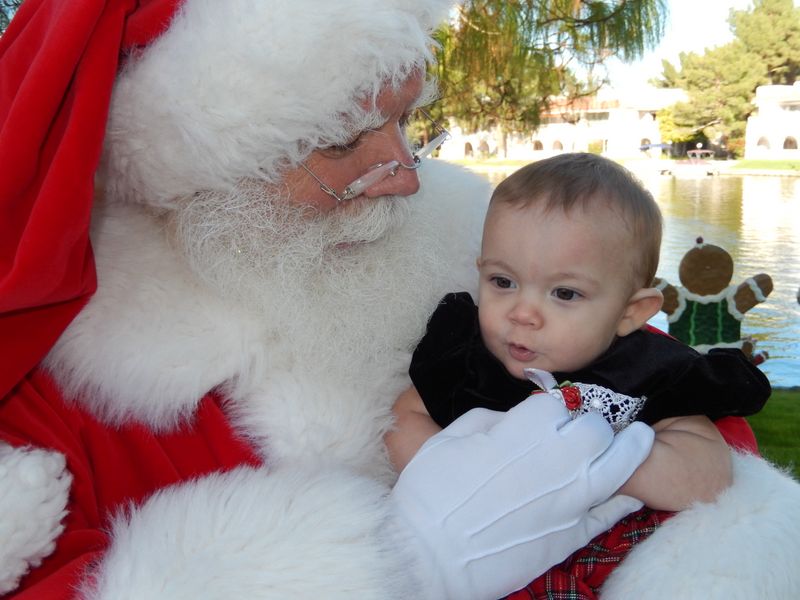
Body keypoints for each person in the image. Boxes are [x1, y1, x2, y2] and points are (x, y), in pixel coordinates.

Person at [0, 2, 798, 600]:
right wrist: (404, 565)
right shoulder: (54, 372)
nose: (408, 174)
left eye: (406, 119)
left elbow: (667, 389)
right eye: (344, 141)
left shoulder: (473, 239)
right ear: (199, 169)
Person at [386, 153, 771, 596]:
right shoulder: (467, 357)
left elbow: (708, 472)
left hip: (592, 566)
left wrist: (601, 470)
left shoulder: (643, 370)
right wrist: (470, 469)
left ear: (629, 312)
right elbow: (402, 418)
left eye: (564, 293)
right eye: (502, 282)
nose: (523, 313)